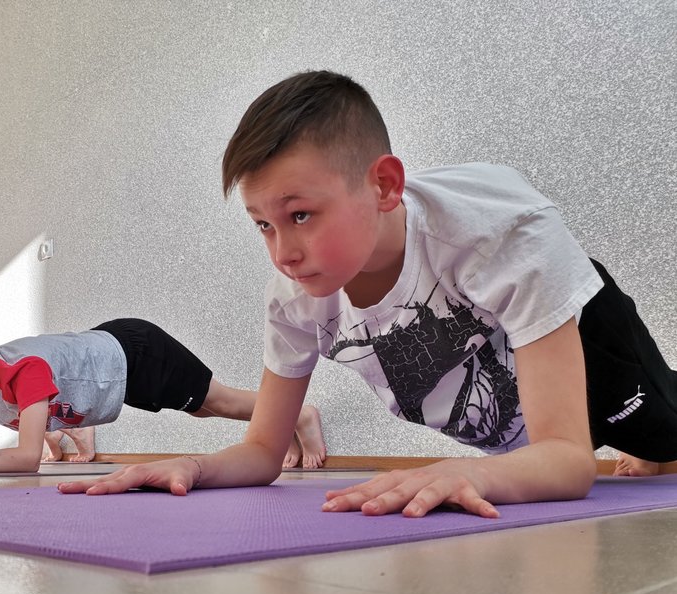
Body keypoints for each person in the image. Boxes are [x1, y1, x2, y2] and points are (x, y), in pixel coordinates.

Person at [58, 69, 677, 517]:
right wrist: (193, 468)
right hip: (510, 407)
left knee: (661, 435)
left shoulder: (502, 236)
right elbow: (263, 449)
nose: (282, 251)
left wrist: (471, 471)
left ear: (383, 186)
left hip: (584, 342)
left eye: (301, 215)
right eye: (263, 224)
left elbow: (568, 461)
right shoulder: (295, 298)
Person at [0, 307, 326, 474]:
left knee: (216, 404)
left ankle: (299, 414)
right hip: (113, 361)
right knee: (207, 410)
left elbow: (26, 459)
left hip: (137, 353)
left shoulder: (24, 371)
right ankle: (287, 420)